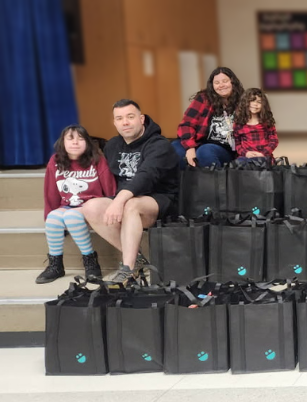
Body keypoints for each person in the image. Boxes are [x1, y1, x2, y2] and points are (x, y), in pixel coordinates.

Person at [81, 99, 179, 284]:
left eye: (130, 117)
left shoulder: (159, 145)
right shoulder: (112, 146)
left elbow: (146, 176)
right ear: (115, 123)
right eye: (119, 118)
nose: (125, 122)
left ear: (141, 119)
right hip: (126, 199)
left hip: (159, 200)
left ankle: (128, 268)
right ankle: (138, 258)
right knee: (91, 207)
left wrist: (118, 201)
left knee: (131, 205)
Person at [37, 125, 117, 283]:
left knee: (72, 216)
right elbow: (51, 193)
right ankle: (56, 265)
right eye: (70, 138)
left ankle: (91, 262)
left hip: (92, 206)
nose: (75, 142)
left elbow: (110, 188)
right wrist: (49, 215)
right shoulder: (55, 161)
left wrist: (110, 209)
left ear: (87, 142)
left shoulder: (97, 159)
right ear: (63, 142)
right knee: (53, 218)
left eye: (80, 139)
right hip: (68, 205)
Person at [172, 67, 244, 167]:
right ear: (212, 86)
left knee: (205, 151)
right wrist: (190, 147)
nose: (221, 85)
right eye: (217, 83)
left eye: (225, 81)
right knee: (175, 147)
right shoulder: (204, 99)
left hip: (226, 148)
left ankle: (213, 182)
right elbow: (186, 124)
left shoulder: (243, 101)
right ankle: (185, 181)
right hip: (199, 142)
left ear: (232, 82)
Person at [233, 88, 279, 163]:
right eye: (252, 100)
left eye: (259, 102)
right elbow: (236, 143)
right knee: (238, 164)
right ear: (245, 103)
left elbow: (274, 141)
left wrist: (263, 153)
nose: (255, 104)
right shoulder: (239, 124)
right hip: (245, 157)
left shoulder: (266, 122)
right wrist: (246, 153)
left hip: (264, 156)